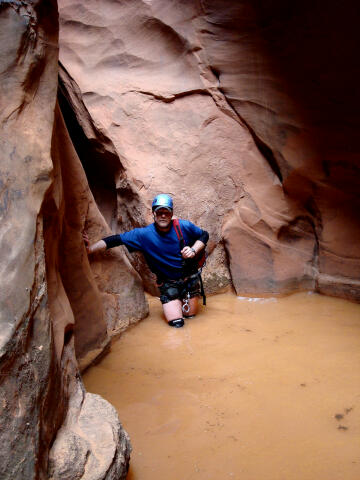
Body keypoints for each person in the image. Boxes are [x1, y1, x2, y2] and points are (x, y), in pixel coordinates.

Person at [84, 194, 209, 328]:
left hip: (189, 279)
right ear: (153, 213)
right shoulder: (143, 235)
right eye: (159, 212)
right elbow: (115, 240)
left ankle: (185, 302)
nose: (162, 215)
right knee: (177, 324)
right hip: (168, 284)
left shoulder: (183, 226)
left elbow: (204, 235)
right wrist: (90, 249)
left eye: (166, 212)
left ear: (171, 214)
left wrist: (193, 250)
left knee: (191, 317)